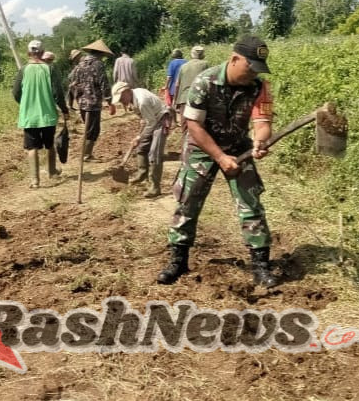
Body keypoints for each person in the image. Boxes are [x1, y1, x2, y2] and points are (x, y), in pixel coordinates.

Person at [157, 35, 278, 288]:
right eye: (250, 67)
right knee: (187, 203)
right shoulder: (205, 82)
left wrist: (260, 141)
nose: (253, 74)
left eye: (258, 70)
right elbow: (193, 125)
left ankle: (260, 265)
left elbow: (262, 122)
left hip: (238, 146)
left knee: (251, 203)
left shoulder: (259, 87)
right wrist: (220, 157)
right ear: (234, 59)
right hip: (202, 147)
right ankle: (178, 260)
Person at [12, 40, 70, 189]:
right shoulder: (49, 69)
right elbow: (58, 93)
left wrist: (25, 103)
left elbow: (16, 93)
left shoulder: (23, 70)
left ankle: (35, 181)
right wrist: (64, 109)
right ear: (42, 53)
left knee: (32, 148)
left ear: (28, 53)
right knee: (49, 145)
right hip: (48, 114)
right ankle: (52, 172)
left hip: (29, 116)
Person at [111, 81, 170, 198]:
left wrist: (139, 137)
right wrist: (139, 137)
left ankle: (155, 187)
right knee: (141, 147)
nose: (121, 101)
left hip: (161, 120)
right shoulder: (133, 99)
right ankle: (142, 174)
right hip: (151, 120)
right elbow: (144, 120)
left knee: (154, 153)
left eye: (121, 98)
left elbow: (151, 123)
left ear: (127, 91)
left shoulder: (142, 101)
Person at [69, 39, 117, 161]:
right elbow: (104, 84)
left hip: (82, 102)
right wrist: (110, 101)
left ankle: (86, 154)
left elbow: (73, 83)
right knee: (93, 130)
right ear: (99, 53)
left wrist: (77, 97)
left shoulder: (80, 64)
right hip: (93, 102)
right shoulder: (98, 65)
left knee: (89, 128)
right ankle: (86, 155)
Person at [173, 45, 209, 127]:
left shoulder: (183, 66)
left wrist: (175, 101)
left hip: (184, 98)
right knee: (199, 126)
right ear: (203, 55)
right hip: (199, 98)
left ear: (191, 54)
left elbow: (177, 84)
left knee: (185, 126)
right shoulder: (205, 64)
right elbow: (208, 81)